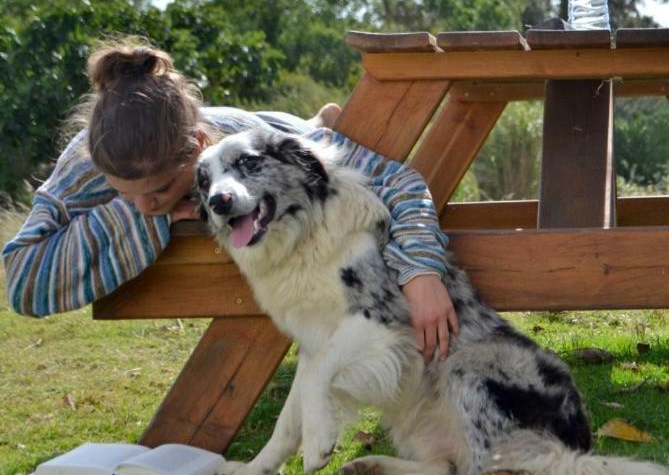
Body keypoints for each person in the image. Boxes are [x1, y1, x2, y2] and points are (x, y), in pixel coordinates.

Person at [3, 39, 460, 362]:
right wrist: (145, 217)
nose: (145, 204)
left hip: (275, 127)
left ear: (198, 145)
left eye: (161, 190)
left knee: (317, 138)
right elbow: (25, 283)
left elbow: (399, 181)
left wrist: (420, 271)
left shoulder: (251, 144)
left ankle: (317, 122)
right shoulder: (85, 163)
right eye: (124, 193)